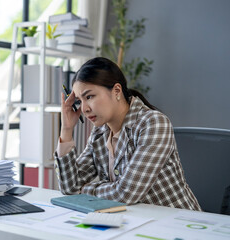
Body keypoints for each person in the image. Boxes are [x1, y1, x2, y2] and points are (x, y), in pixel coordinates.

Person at [54, 57, 201, 210]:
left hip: (176, 223)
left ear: (116, 91)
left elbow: (125, 194)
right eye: (79, 100)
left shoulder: (154, 123)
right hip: (133, 222)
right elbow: (69, 187)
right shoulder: (100, 132)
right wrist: (67, 129)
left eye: (89, 97)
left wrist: (84, 190)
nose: (84, 109)